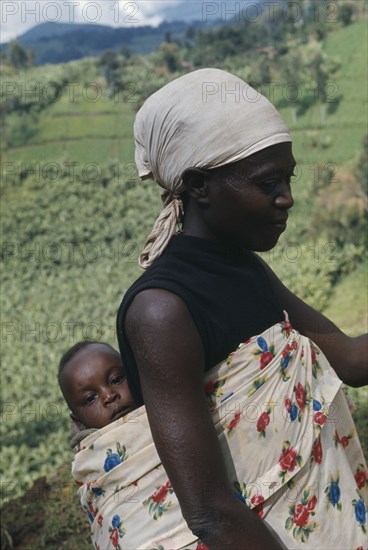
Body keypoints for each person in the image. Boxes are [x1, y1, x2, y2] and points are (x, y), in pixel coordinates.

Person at [116, 68, 368, 550]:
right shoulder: (161, 312)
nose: (287, 199)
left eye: (287, 179)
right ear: (199, 186)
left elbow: (350, 360)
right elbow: (210, 511)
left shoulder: (243, 269)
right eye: (267, 183)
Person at [58, 340, 137, 431]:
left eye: (116, 380)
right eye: (91, 398)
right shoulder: (89, 445)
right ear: (79, 422)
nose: (109, 397)